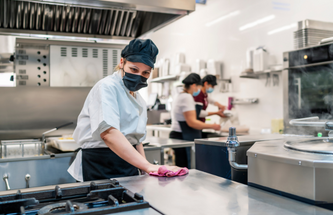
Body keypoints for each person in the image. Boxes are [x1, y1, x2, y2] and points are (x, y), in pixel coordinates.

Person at [68, 39, 181, 182]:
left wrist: (144, 171)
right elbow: (108, 133)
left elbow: (136, 140)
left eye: (145, 73)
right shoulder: (107, 87)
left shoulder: (139, 99)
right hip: (100, 164)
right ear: (122, 62)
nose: (139, 76)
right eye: (134, 69)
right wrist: (147, 166)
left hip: (129, 164)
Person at [169, 73, 221, 168]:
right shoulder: (187, 97)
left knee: (181, 167)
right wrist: (213, 126)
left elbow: (194, 113)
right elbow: (192, 122)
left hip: (178, 135)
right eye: (199, 87)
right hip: (182, 136)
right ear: (194, 85)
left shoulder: (181, 95)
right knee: (185, 168)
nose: (199, 90)